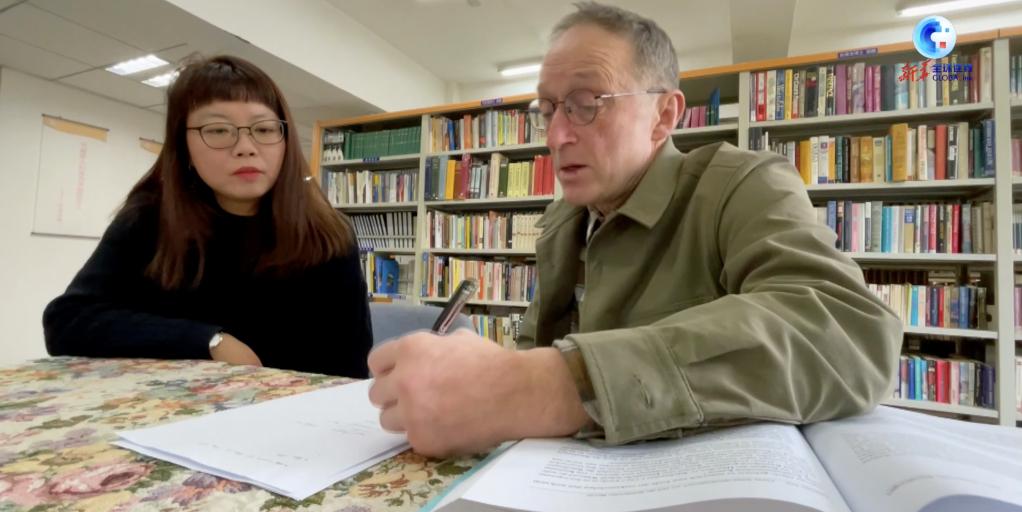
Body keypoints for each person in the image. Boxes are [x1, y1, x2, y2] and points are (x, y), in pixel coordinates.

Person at [368, 2, 902, 457]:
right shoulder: (561, 222)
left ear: (663, 116)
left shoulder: (742, 184)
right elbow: (532, 354)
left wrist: (552, 386)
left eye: (585, 106)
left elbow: (849, 332)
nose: (556, 135)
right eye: (547, 109)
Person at [43, 55, 372, 378]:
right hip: (174, 404)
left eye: (263, 129)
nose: (246, 146)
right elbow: (67, 320)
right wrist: (208, 341)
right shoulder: (149, 219)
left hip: (295, 408)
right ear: (183, 146)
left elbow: (350, 370)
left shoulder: (328, 234)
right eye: (218, 130)